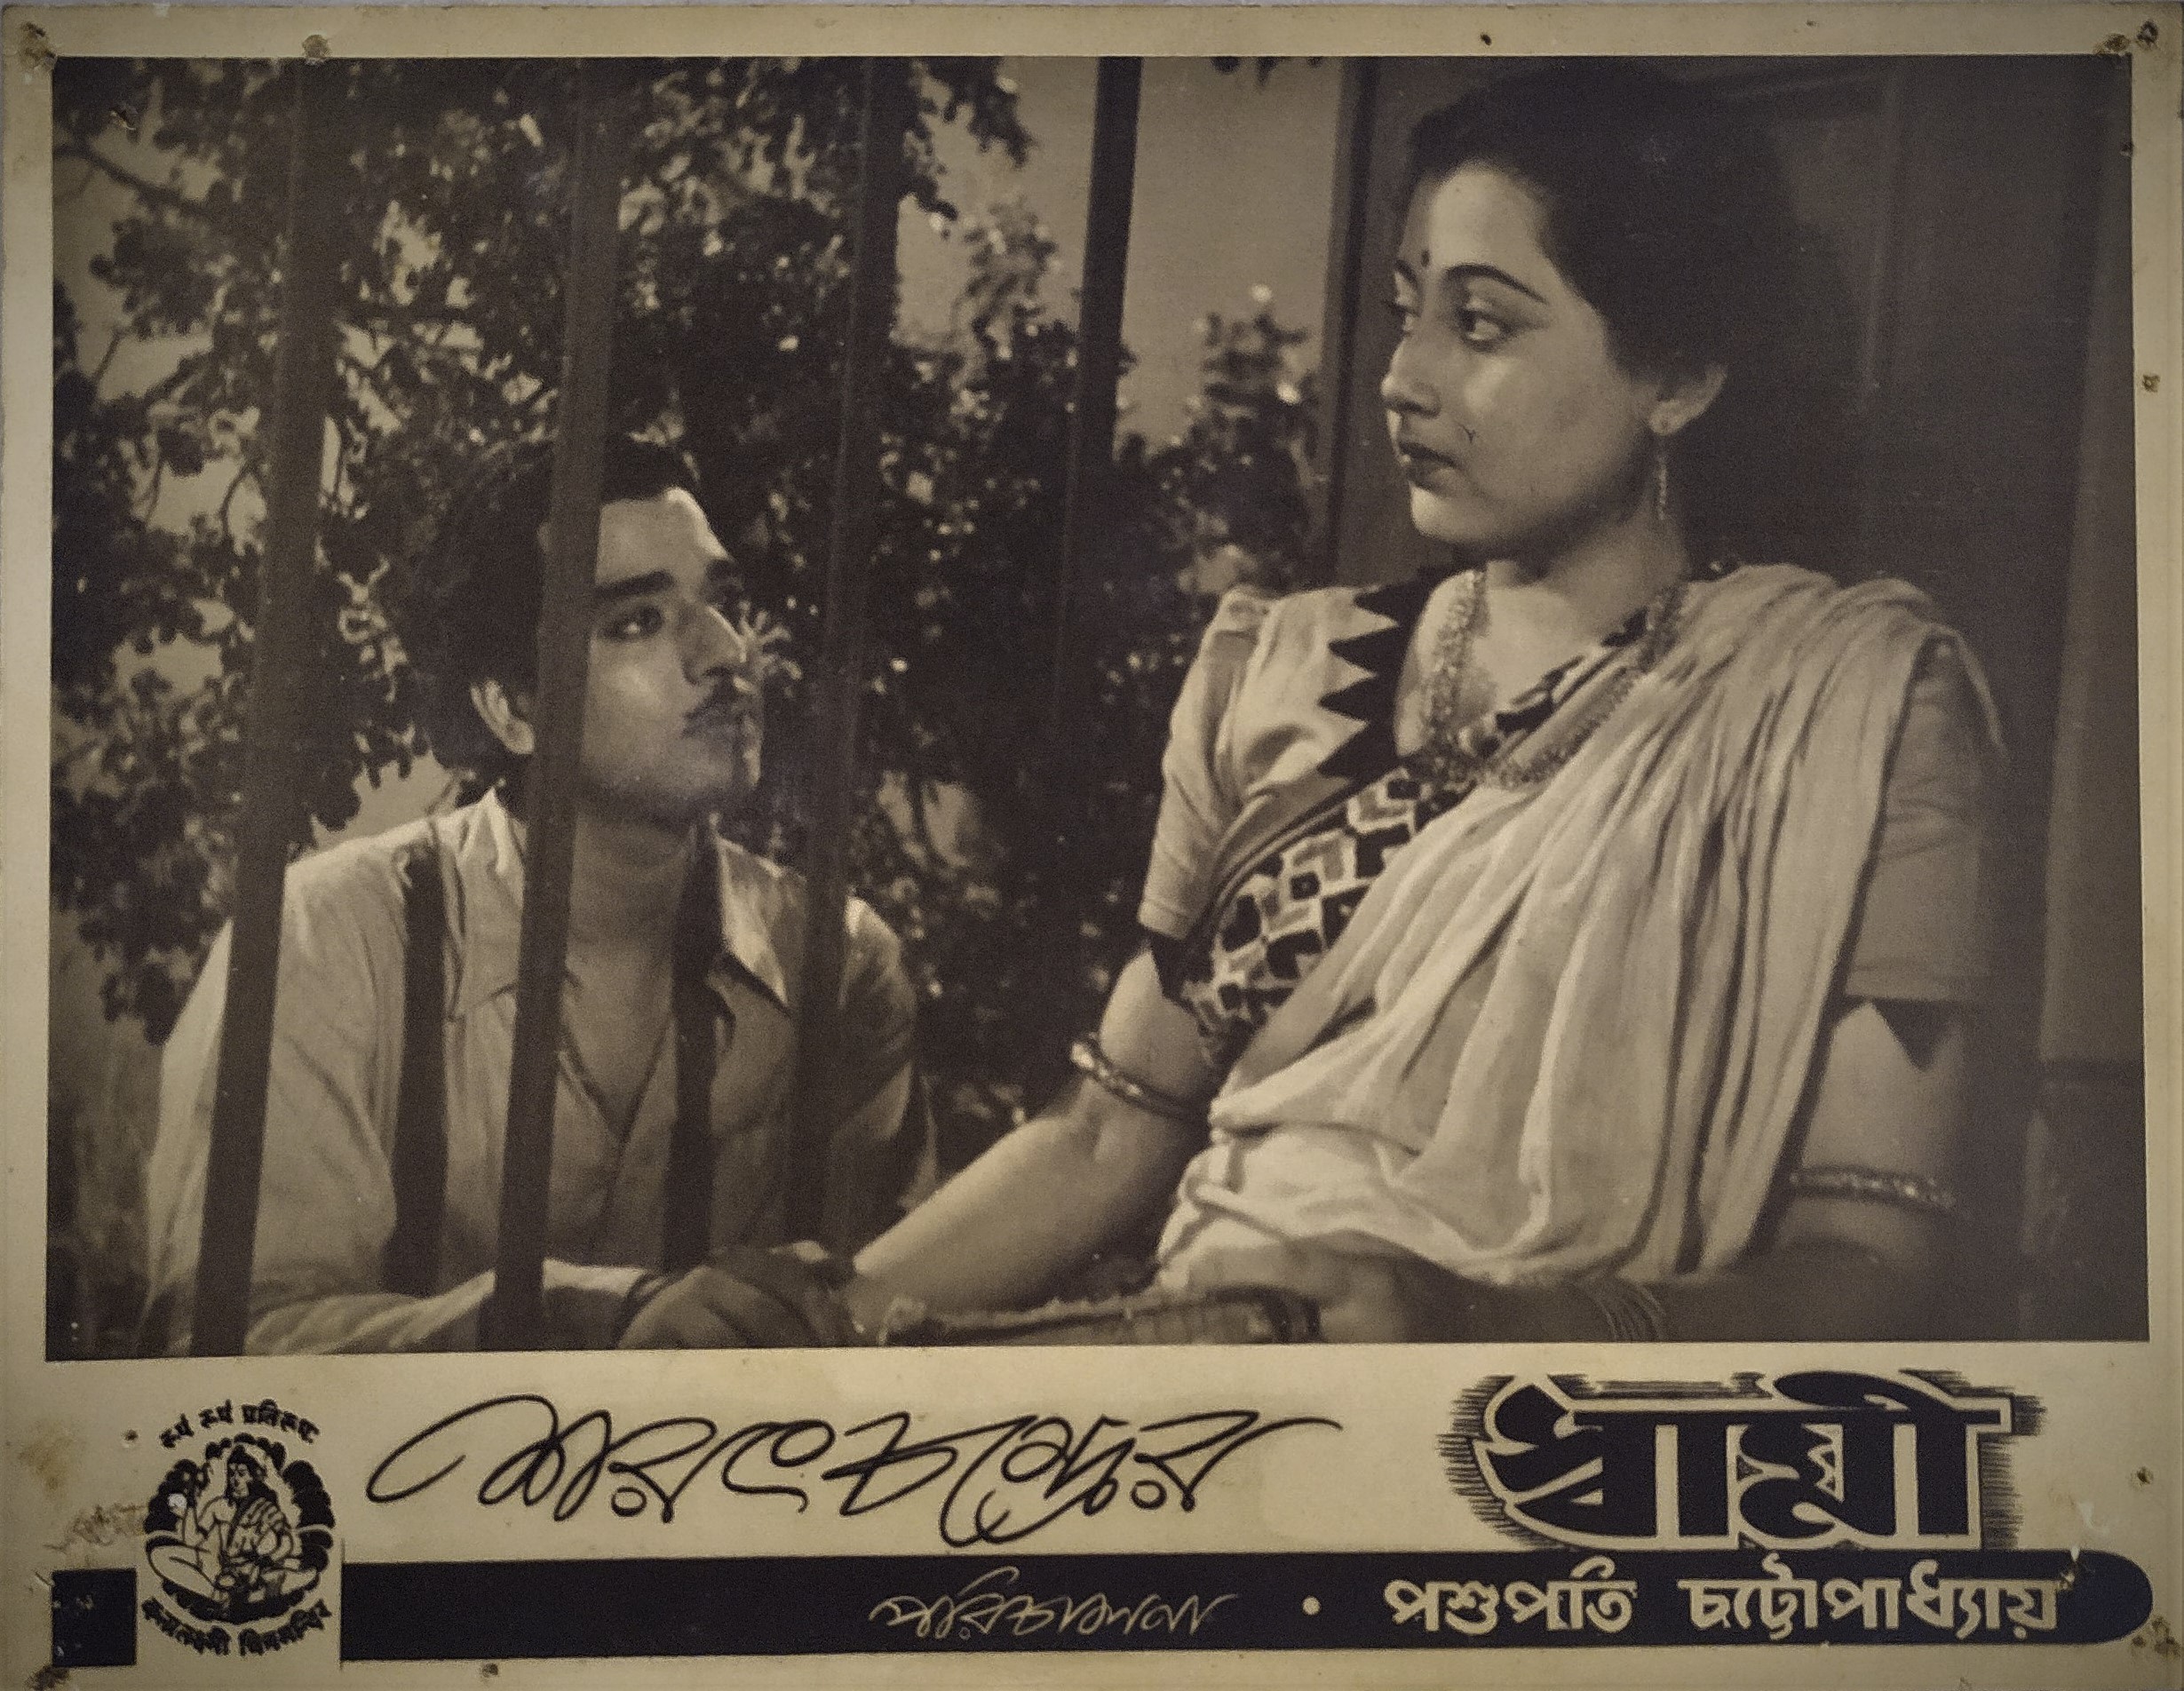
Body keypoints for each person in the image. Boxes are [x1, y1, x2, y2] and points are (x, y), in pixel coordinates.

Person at [838, 62, 2000, 1344]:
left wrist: (1467, 1324)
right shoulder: (1279, 670)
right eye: (1406, 313)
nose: (1403, 377)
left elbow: (1869, 1267)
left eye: (1481, 326)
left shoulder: (1848, 708)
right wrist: (812, 1322)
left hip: (1525, 1424)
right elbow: (1105, 1134)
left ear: (1673, 378)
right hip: (1194, 1352)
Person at [143, 436, 925, 1352]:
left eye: (722, 601)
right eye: (636, 621)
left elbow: (889, 1328)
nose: (725, 651)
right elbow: (223, 1347)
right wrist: (585, 1317)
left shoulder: (838, 965)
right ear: (512, 708)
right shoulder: (324, 941)